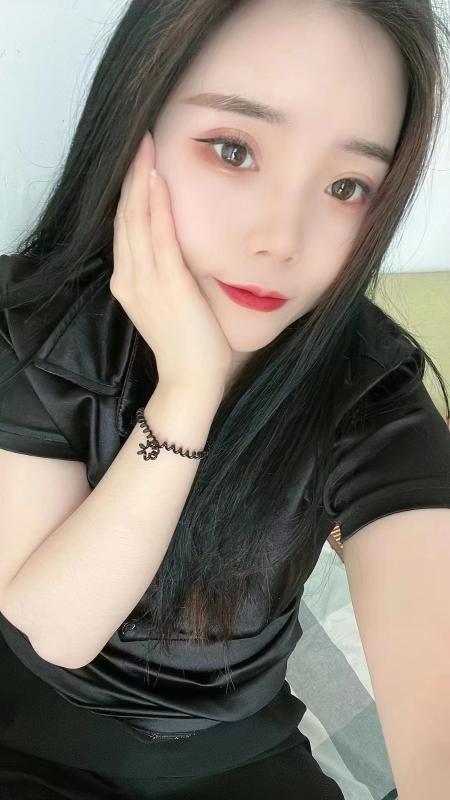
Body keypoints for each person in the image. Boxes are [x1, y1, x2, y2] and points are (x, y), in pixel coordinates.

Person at [0, 0, 449, 797]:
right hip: (28, 729)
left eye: (347, 186)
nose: (281, 238)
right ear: (135, 121)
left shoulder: (370, 389)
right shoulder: (37, 324)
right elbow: (56, 627)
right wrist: (188, 390)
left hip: (239, 754)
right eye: (234, 150)